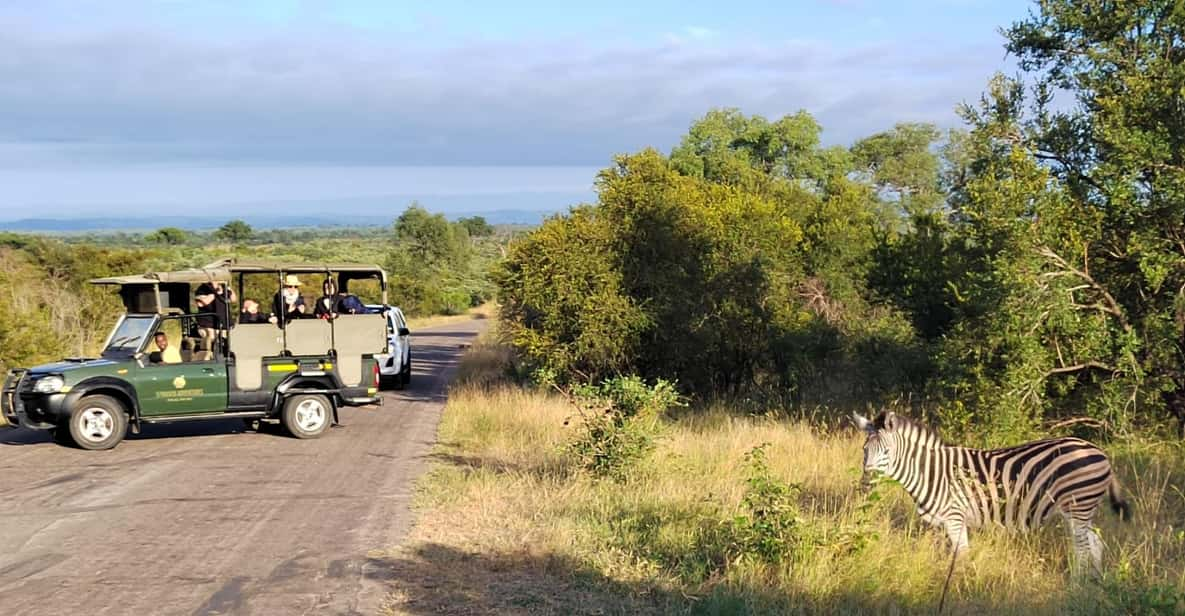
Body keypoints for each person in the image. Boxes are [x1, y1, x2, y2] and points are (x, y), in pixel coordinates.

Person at [195, 281, 235, 360]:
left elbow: (233, 299)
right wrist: (216, 293)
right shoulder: (203, 288)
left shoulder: (224, 287)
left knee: (230, 344)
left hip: (224, 324)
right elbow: (202, 303)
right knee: (212, 343)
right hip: (209, 325)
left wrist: (229, 288)